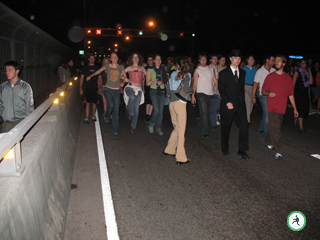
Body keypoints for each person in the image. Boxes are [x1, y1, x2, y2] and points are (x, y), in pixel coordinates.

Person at [262, 55, 299, 160]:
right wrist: (269, 93)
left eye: (278, 61)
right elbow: (263, 91)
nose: (276, 62)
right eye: (275, 61)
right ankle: (278, 151)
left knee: (275, 127)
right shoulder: (270, 76)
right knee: (277, 130)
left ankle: (267, 141)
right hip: (272, 107)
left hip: (282, 108)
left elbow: (290, 94)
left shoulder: (288, 78)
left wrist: (295, 109)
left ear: (283, 64)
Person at [218, 49, 249, 159]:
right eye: (235, 58)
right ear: (230, 58)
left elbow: (240, 89)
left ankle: (242, 150)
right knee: (226, 127)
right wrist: (227, 102)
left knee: (244, 126)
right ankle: (225, 148)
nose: (237, 60)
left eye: (239, 58)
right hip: (228, 105)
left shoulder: (243, 72)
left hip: (240, 105)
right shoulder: (223, 73)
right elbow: (221, 89)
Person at [86, 53, 124, 138]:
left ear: (117, 58)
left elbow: (123, 77)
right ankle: (106, 115)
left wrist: (123, 82)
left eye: (116, 56)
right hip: (107, 89)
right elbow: (97, 72)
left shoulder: (121, 67)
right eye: (113, 57)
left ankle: (115, 132)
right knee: (110, 105)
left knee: (116, 112)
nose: (114, 58)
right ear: (111, 58)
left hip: (117, 91)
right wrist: (90, 76)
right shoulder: (107, 66)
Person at [164, 58, 193, 165]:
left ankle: (169, 149)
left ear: (177, 65)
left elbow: (168, 87)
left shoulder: (172, 74)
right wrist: (192, 90)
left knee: (177, 128)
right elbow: (186, 89)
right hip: (180, 103)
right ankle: (181, 157)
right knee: (181, 131)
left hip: (172, 103)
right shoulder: (187, 75)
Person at [0, 61, 34, 132]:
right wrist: (4, 114)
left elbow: (29, 105)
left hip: (21, 122)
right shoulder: (3, 87)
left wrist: (28, 121)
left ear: (17, 71)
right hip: (7, 123)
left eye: (10, 70)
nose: (7, 72)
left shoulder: (25, 86)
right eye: (6, 70)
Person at [191, 53, 217, 138]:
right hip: (201, 93)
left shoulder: (211, 69)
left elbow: (215, 80)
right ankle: (205, 131)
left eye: (205, 59)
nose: (203, 61)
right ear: (199, 60)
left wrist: (220, 91)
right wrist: (193, 95)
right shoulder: (197, 70)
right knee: (204, 113)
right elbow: (194, 84)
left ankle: (201, 123)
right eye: (201, 59)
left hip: (211, 93)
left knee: (207, 112)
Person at [252, 54, 275, 138]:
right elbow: (255, 84)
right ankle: (266, 135)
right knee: (267, 114)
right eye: (272, 60)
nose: (273, 62)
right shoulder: (260, 71)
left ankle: (261, 127)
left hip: (272, 95)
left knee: (267, 113)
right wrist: (253, 96)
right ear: (267, 60)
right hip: (263, 95)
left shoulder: (273, 70)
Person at [122, 53, 146, 134]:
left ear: (139, 59)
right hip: (130, 87)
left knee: (137, 109)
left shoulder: (142, 68)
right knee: (131, 97)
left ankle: (133, 126)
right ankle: (130, 113)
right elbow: (120, 74)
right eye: (134, 57)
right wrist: (124, 78)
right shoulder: (129, 68)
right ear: (131, 59)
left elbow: (149, 76)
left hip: (138, 89)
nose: (135, 58)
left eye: (137, 57)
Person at [146, 54, 168, 136]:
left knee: (161, 112)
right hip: (154, 91)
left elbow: (166, 80)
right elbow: (147, 83)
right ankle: (151, 124)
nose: (158, 61)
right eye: (156, 59)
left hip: (162, 91)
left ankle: (159, 128)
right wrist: (156, 82)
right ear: (154, 61)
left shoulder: (163, 69)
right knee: (157, 110)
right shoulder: (150, 70)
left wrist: (168, 91)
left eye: (160, 59)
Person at [80, 54, 102, 124]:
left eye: (93, 58)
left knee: (95, 103)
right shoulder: (85, 68)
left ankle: (93, 116)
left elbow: (100, 78)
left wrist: (100, 88)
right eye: (91, 58)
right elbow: (81, 79)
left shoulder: (97, 67)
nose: (92, 60)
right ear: (88, 59)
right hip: (87, 88)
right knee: (88, 103)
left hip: (95, 88)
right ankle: (87, 117)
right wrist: (80, 88)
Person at [293, 59, 313, 133]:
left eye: (305, 63)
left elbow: (311, 82)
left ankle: (295, 119)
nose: (304, 64)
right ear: (300, 64)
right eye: (303, 63)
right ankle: (301, 127)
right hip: (298, 93)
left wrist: (310, 72)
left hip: (305, 93)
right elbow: (293, 84)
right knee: (300, 109)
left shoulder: (307, 73)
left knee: (304, 108)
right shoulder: (297, 72)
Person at [208, 54, 222, 130]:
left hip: (218, 90)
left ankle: (213, 118)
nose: (215, 60)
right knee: (213, 107)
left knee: (218, 107)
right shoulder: (208, 68)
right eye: (213, 58)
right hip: (210, 91)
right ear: (210, 60)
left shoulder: (220, 68)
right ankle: (213, 123)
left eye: (216, 58)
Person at [242, 55, 257, 124]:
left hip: (252, 87)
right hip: (246, 86)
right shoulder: (244, 69)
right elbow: (240, 80)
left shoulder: (254, 70)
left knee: (251, 103)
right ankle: (247, 120)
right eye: (252, 59)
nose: (253, 60)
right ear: (248, 60)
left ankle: (246, 116)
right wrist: (242, 88)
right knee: (248, 102)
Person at [144, 55, 154, 123]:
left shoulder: (155, 67)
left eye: (151, 60)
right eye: (149, 60)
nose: (150, 61)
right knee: (147, 101)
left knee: (152, 101)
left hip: (153, 86)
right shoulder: (146, 68)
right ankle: (147, 114)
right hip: (147, 86)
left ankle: (150, 114)